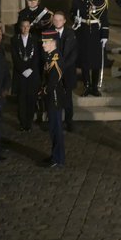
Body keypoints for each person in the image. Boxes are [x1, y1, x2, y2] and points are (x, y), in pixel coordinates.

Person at [70, 0, 109, 95]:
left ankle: (94, 86)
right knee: (85, 60)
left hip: (96, 32)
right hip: (83, 32)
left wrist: (105, 35)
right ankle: (86, 85)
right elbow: (71, 14)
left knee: (96, 60)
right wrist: (75, 19)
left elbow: (104, 18)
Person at [38, 28, 74, 167]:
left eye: (45, 42)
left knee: (56, 129)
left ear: (53, 43)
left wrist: (43, 91)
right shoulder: (50, 56)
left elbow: (53, 81)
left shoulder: (55, 58)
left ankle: (58, 159)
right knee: (53, 129)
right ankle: (55, 155)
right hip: (51, 98)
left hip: (54, 98)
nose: (43, 45)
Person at [10, 18, 40, 131]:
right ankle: (22, 123)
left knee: (31, 99)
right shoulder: (14, 39)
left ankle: (29, 122)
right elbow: (15, 57)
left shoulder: (35, 39)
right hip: (20, 74)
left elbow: (36, 56)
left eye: (27, 26)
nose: (25, 28)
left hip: (32, 74)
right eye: (23, 26)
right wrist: (23, 70)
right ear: (20, 27)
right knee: (21, 99)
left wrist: (31, 69)